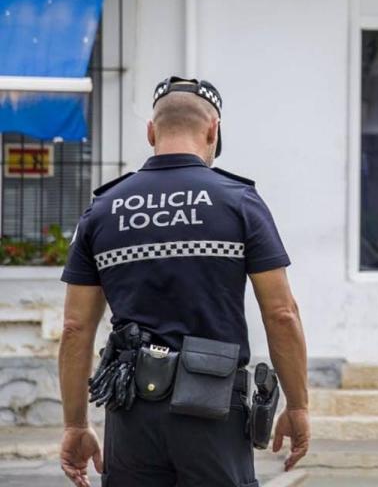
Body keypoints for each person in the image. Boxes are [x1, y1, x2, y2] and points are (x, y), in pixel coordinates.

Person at [57, 77, 310, 487]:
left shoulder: (103, 209)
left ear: (151, 131)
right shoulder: (238, 202)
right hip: (213, 406)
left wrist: (74, 425)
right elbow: (282, 313)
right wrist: (298, 406)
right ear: (213, 130)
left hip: (130, 408)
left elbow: (74, 328)